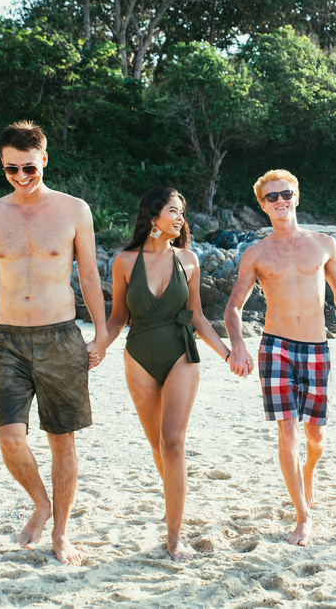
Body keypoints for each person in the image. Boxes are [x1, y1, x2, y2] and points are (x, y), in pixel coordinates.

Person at [0, 121, 108, 565]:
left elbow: (89, 275)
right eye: (11, 169)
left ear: (44, 160)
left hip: (60, 336)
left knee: (61, 439)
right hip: (8, 340)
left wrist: (102, 333)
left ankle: (62, 532)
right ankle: (41, 502)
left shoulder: (74, 210)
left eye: (29, 168)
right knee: (10, 437)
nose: (21, 177)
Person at [224, 169, 336, 546]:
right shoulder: (256, 254)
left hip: (317, 347)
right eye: (271, 197)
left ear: (296, 196)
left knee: (315, 435)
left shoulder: (323, 244)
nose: (280, 201)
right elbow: (234, 307)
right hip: (276, 348)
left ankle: (309, 472)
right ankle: (303, 515)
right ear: (262, 205)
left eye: (285, 194)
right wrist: (238, 345)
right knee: (287, 430)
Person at [103, 187, 233, 560]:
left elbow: (196, 315)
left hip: (181, 353)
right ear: (153, 215)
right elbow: (117, 318)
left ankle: (174, 538)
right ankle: (175, 501)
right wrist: (97, 346)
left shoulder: (188, 259)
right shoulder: (125, 261)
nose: (180, 218)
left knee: (173, 441)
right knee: (159, 447)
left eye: (182, 212)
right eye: (174, 211)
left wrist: (227, 354)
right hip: (139, 357)